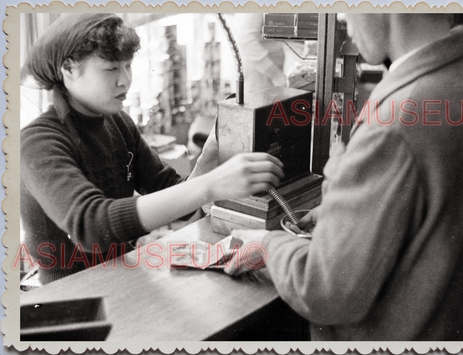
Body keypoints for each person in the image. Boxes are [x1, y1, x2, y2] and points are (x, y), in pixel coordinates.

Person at [225, 14, 463, 341]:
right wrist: (349, 214)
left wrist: (266, 245)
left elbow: (323, 290)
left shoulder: (395, 123)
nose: (343, 16)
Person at [20, 13, 284, 285]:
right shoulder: (37, 141)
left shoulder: (118, 122)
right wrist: (211, 184)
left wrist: (208, 157)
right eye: (111, 69)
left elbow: (177, 201)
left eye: (128, 66)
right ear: (69, 69)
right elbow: (91, 226)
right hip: (70, 294)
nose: (125, 80)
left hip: (124, 276)